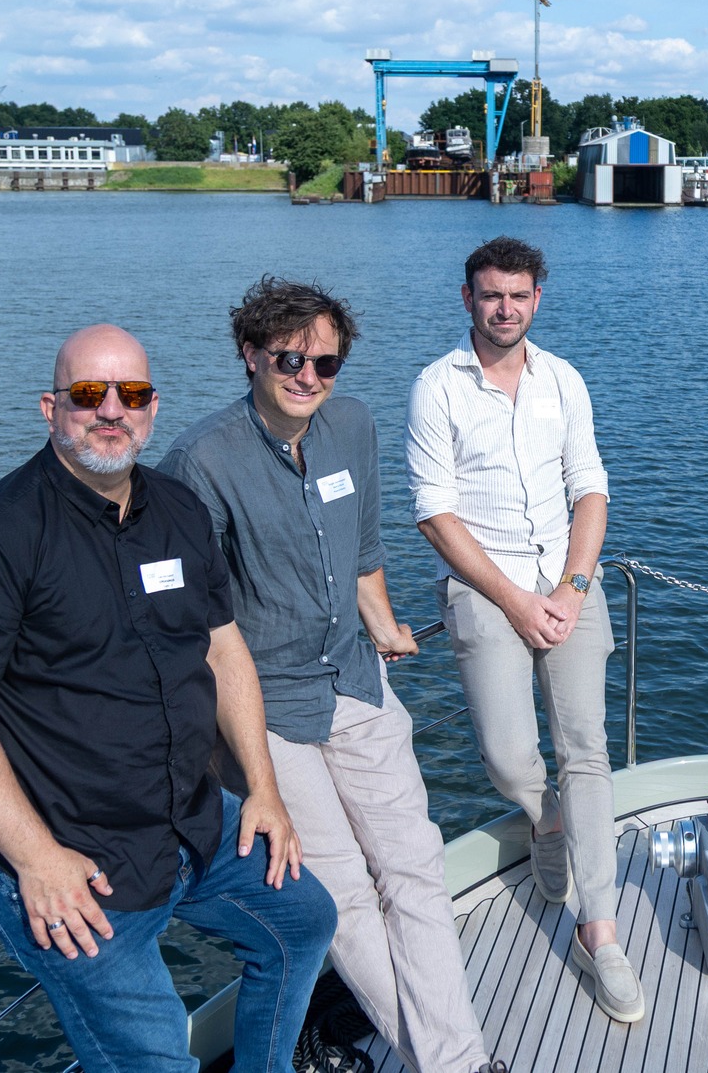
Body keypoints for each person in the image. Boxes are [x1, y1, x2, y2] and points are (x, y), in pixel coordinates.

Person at [0, 324, 336, 1073]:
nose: (111, 410)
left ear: (152, 407)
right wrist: (37, 859)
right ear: (51, 407)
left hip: (185, 817)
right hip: (68, 850)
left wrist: (263, 790)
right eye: (88, 394)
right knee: (156, 1055)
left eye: (131, 394)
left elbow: (223, 649)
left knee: (302, 921)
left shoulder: (179, 510)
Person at [158, 278, 505, 1073]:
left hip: (356, 680)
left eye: (326, 362)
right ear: (250, 355)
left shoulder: (352, 425)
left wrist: (383, 624)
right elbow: (193, 628)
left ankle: (452, 1059)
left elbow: (362, 552)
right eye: (290, 358)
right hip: (268, 711)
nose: (308, 376)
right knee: (343, 892)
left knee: (416, 868)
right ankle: (456, 1064)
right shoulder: (199, 463)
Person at [405, 236, 643, 1024]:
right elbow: (434, 513)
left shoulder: (563, 379)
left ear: (537, 297)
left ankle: (600, 931)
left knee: (587, 750)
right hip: (486, 583)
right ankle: (544, 814)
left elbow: (590, 488)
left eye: (518, 294)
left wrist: (574, 586)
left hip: (566, 580)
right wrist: (512, 599)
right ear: (467, 299)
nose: (504, 308)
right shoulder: (436, 388)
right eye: (491, 295)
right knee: (508, 755)